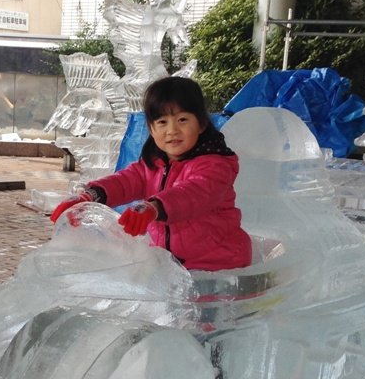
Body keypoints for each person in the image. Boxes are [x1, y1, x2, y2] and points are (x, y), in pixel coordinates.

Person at [50, 76, 253, 271]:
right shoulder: (154, 164)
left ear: (201, 124)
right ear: (151, 129)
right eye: (162, 122)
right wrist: (90, 195)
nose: (172, 130)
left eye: (182, 119)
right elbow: (125, 181)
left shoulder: (215, 164)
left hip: (219, 263)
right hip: (173, 263)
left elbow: (194, 193)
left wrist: (155, 207)